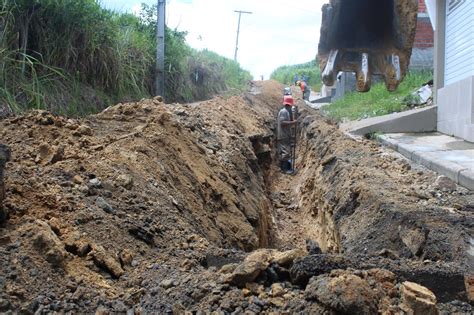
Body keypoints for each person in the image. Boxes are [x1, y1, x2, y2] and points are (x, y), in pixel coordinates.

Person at [277, 96, 297, 173]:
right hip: (283, 135)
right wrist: (293, 123)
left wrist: (292, 115)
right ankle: (284, 169)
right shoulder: (283, 112)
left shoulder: (287, 112)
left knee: (286, 151)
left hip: (286, 135)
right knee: (285, 152)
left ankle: (286, 167)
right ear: (288, 105)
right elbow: (282, 123)